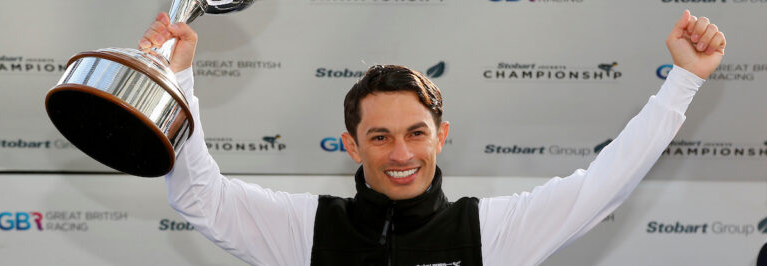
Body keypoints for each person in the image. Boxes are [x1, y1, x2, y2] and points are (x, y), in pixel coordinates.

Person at [139, 10, 726, 266]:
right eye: (379, 137)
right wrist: (178, 77)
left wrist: (684, 81)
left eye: (416, 133)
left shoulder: (489, 231)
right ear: (351, 146)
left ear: (441, 137)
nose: (401, 154)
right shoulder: (305, 229)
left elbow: (605, 184)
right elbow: (198, 197)